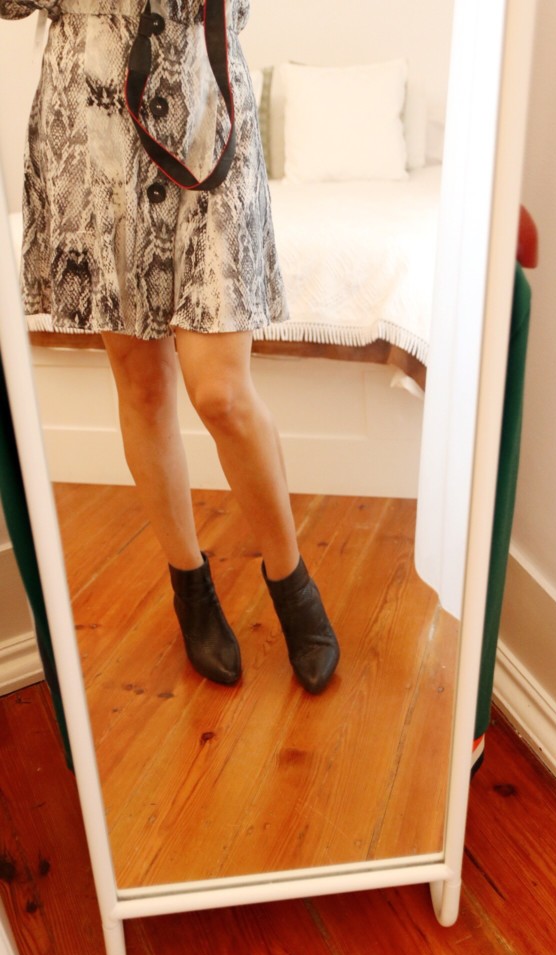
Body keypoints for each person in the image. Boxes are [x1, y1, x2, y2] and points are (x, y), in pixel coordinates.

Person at [1, 0, 340, 693]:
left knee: (221, 393)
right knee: (144, 385)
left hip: (206, 111)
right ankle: (190, 584)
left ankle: (291, 579)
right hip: (92, 122)